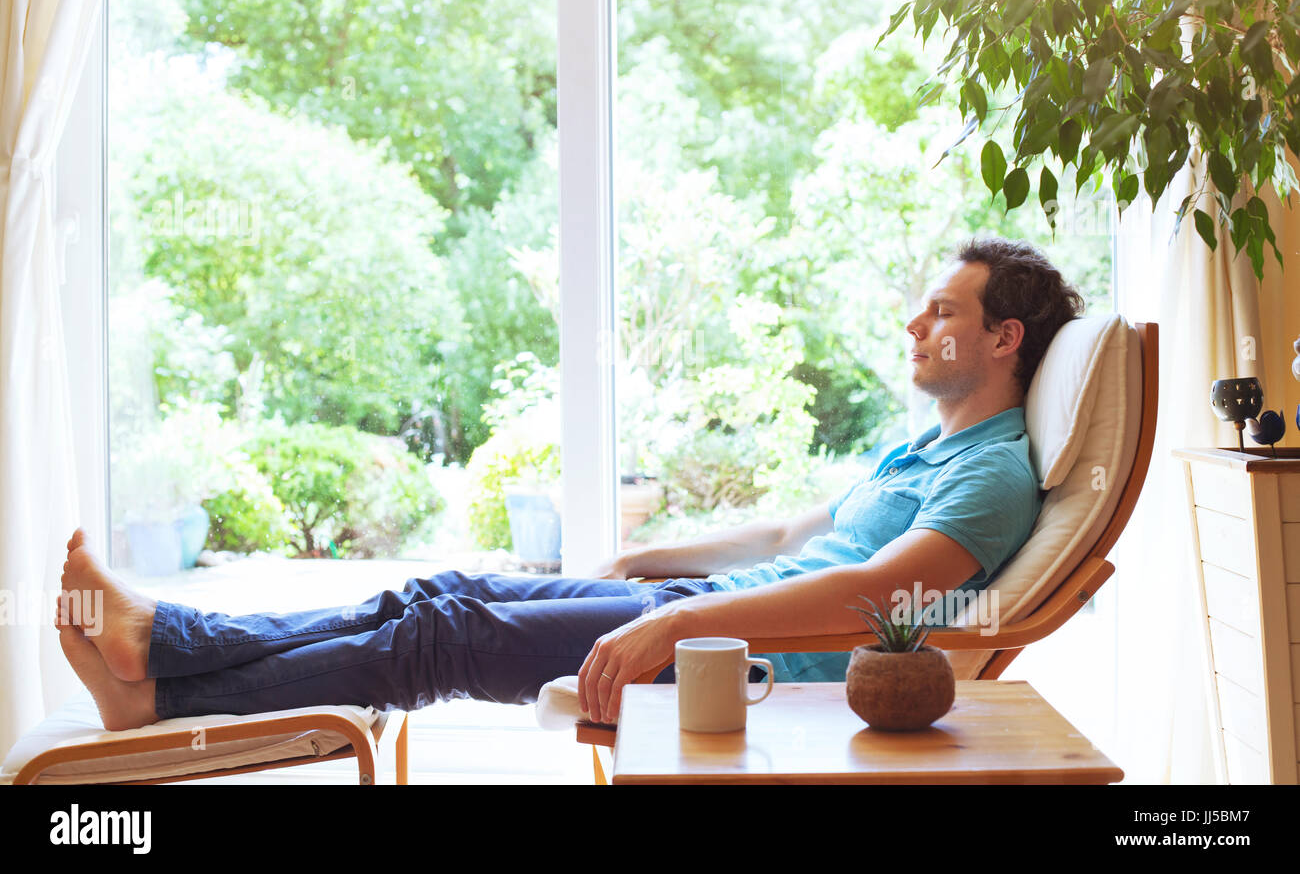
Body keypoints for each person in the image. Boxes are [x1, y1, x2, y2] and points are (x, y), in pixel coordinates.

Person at [55, 236, 1084, 731]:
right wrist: (654, 559)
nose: (915, 324)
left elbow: (872, 597)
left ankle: (158, 685)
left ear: (1002, 338)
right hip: (707, 615)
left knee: (441, 639)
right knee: (433, 593)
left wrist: (677, 628)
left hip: (742, 663)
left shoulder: (993, 474)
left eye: (942, 310)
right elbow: (792, 530)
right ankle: (163, 653)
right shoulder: (920, 451)